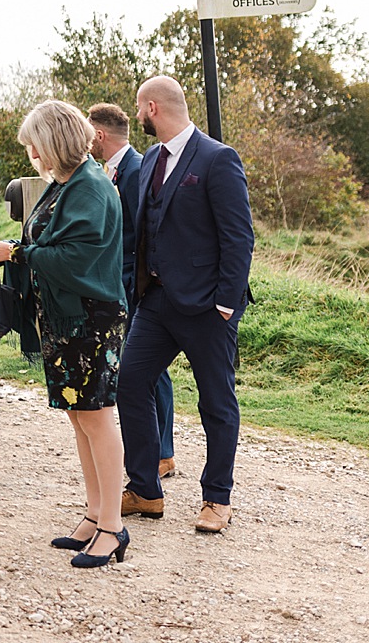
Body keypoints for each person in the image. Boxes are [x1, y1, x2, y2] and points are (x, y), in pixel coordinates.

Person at [0, 100, 129, 567]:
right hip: (67, 319)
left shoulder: (90, 188)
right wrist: (13, 250)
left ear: (52, 141)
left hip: (90, 320)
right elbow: (45, 244)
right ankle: (96, 514)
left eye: (33, 145)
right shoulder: (66, 184)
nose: (30, 154)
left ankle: (114, 527)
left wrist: (15, 254)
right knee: (80, 418)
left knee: (97, 418)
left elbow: (74, 259)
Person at [118, 76, 254, 534]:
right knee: (130, 384)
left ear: (152, 107)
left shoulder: (218, 159)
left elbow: (239, 238)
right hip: (155, 303)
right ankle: (145, 490)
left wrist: (226, 304)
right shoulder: (151, 158)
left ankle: (217, 498)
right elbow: (145, 228)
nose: (137, 116)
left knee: (216, 402)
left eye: (139, 108)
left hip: (206, 307)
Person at [88, 102, 177, 481]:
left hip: (134, 282)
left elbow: (145, 233)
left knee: (151, 370)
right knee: (140, 369)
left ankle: (164, 452)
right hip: (117, 280)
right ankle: (154, 451)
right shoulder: (107, 170)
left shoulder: (139, 169)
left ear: (99, 135)